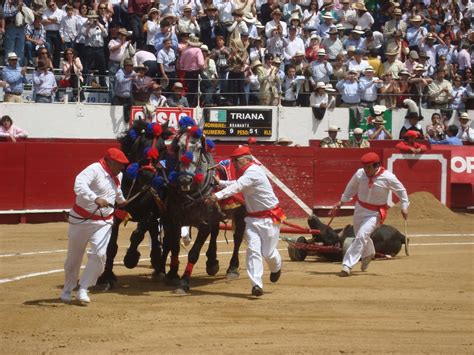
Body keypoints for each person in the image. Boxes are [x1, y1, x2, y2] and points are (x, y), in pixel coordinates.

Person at [204, 146, 283, 297]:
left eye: (235, 161)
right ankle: (256, 285)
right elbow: (237, 183)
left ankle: (276, 267)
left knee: (268, 253)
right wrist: (221, 183)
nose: (234, 165)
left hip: (269, 218)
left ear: (245, 160)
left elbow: (238, 186)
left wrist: (216, 196)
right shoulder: (249, 172)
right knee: (253, 250)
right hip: (253, 218)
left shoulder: (253, 172)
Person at [61, 148, 129, 303]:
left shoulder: (118, 174)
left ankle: (84, 288)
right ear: (110, 162)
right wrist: (95, 198)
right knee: (74, 257)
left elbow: (116, 191)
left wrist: (122, 200)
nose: (122, 167)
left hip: (104, 221)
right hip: (81, 220)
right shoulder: (93, 169)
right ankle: (68, 288)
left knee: (100, 254)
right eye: (120, 164)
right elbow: (79, 185)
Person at [330, 152, 409, 276]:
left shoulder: (388, 177)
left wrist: (404, 206)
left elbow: (401, 191)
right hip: (360, 208)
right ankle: (368, 254)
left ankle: (347, 265)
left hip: (375, 212)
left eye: (369, 167)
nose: (366, 170)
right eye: (364, 166)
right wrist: (342, 202)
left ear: (377, 165)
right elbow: (351, 188)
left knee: (361, 235)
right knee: (360, 235)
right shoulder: (359, 173)